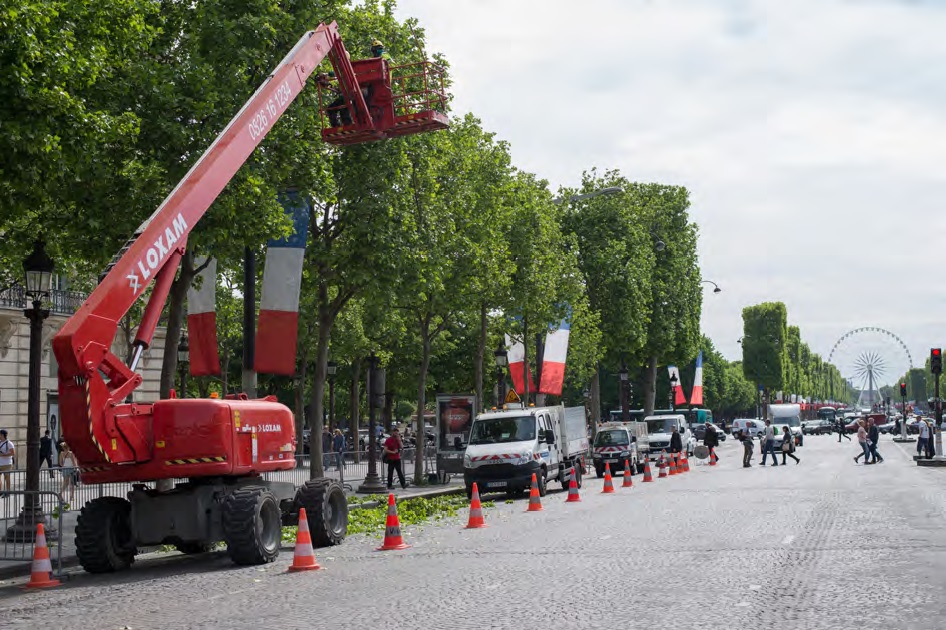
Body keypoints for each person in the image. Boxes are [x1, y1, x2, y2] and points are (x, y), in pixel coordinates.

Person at [58, 442, 77, 508]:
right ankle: (72, 496)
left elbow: (60, 463)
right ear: (68, 447)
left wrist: (64, 466)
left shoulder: (61, 453)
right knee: (71, 483)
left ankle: (60, 493)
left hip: (65, 469)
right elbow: (74, 462)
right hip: (71, 469)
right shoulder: (71, 453)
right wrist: (76, 468)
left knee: (65, 483)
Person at [0, 429, 14, 496]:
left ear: (2, 435)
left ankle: (8, 492)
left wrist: (3, 455)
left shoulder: (9, 443)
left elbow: (13, 453)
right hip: (0, 463)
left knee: (7, 478)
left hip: (7, 464)